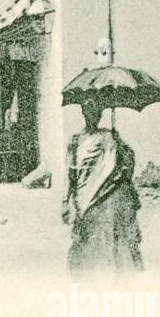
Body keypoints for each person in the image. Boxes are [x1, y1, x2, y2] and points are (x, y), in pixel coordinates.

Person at [63, 103, 143, 272]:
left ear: (100, 115)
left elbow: (119, 165)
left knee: (107, 239)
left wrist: (120, 145)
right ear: (83, 112)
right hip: (83, 196)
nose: (92, 115)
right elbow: (70, 173)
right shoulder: (75, 140)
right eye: (88, 111)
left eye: (96, 112)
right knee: (84, 238)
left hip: (103, 196)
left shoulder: (108, 137)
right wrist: (66, 200)